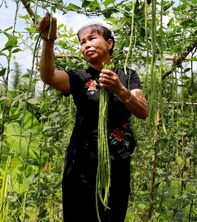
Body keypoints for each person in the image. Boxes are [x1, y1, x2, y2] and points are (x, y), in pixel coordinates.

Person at [37, 13, 149, 222]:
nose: (86, 44)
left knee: (112, 215)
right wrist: (48, 40)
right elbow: (48, 76)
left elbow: (142, 111)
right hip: (81, 162)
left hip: (117, 159)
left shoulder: (127, 75)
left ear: (109, 43)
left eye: (92, 39)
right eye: (82, 42)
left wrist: (120, 90)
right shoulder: (79, 78)